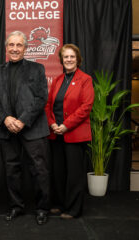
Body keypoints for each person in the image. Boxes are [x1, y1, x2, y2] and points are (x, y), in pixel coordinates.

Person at [0, 31, 50, 225]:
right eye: (11, 45)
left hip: (33, 128)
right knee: (11, 170)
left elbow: (41, 97)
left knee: (39, 170)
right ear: (6, 48)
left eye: (19, 45)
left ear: (26, 48)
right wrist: (6, 118)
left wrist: (22, 120)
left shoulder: (37, 69)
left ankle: (42, 208)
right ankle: (16, 206)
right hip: (7, 129)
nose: (14, 49)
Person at [45, 44, 94, 219]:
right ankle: (59, 204)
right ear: (61, 60)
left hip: (74, 134)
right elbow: (48, 105)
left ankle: (73, 209)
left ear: (77, 59)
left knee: (74, 174)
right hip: (55, 133)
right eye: (66, 57)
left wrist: (66, 125)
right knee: (58, 172)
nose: (69, 60)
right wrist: (52, 124)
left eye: (72, 56)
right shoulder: (58, 80)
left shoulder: (85, 79)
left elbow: (86, 107)